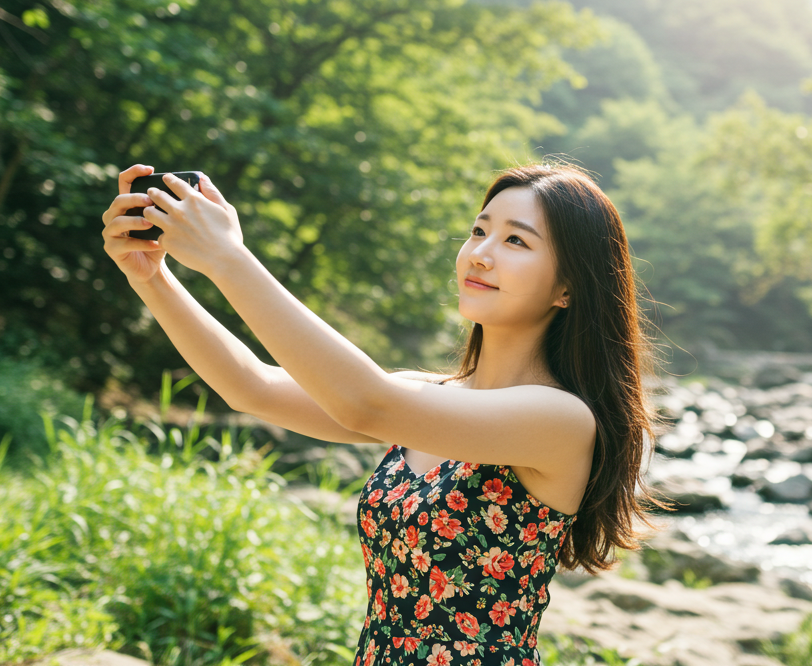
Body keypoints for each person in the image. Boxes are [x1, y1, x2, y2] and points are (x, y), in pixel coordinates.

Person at [100, 160, 668, 665]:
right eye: (478, 230)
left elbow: (364, 401)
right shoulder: (428, 396)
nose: (481, 253)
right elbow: (252, 387)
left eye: (516, 242)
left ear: (567, 288)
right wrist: (151, 278)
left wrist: (229, 258)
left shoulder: (559, 419)